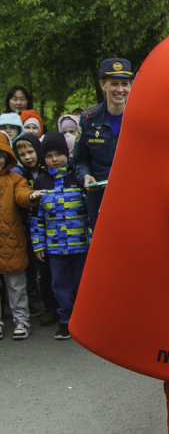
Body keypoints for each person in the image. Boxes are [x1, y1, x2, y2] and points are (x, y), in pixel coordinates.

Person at [31, 132, 92, 340]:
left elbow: (89, 213)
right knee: (60, 284)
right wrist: (38, 245)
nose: (54, 159)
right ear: (43, 158)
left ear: (67, 154)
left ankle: (84, 320)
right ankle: (66, 319)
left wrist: (93, 239)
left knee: (83, 283)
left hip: (82, 245)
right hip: (55, 248)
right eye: (49, 155)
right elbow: (37, 218)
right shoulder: (41, 181)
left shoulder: (77, 177)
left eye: (58, 154)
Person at [73, 57, 133, 228]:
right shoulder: (88, 119)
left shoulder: (139, 119)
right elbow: (79, 160)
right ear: (102, 85)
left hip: (131, 194)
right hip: (99, 196)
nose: (120, 89)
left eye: (125, 84)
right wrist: (85, 176)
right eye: (114, 83)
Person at [0, 132, 43, 340]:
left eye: (1, 155)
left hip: (11, 240)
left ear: (7, 157)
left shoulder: (15, 179)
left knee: (16, 285)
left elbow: (22, 195)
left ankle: (21, 319)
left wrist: (31, 196)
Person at [12, 133, 58, 326]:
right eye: (22, 154)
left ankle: (59, 305)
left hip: (53, 226)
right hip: (29, 226)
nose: (28, 157)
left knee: (53, 268)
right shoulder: (18, 175)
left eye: (31, 151)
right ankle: (42, 304)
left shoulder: (49, 171)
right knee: (35, 266)